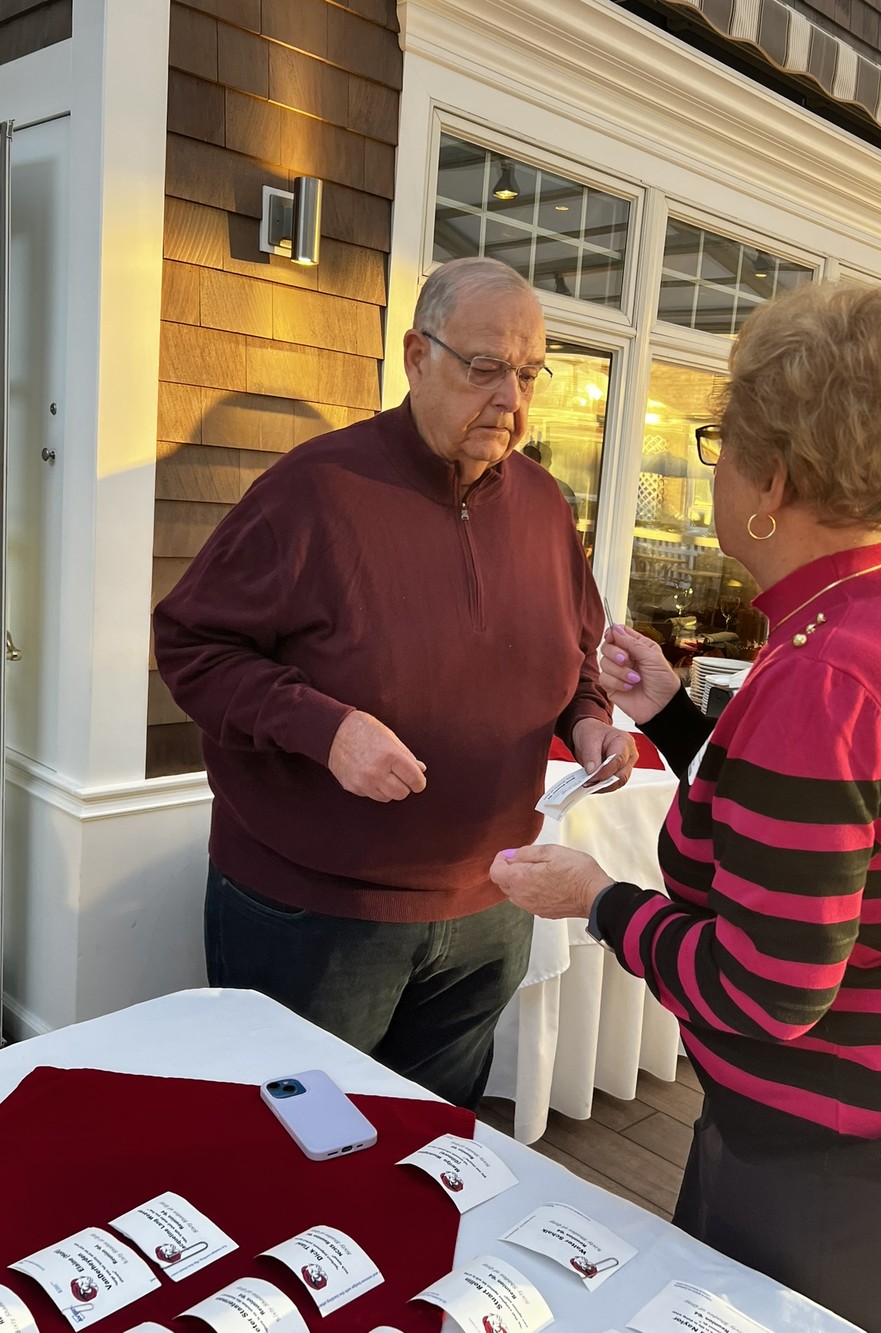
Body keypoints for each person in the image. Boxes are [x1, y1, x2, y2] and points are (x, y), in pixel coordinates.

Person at [491, 282, 881, 1333]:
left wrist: (598, 900)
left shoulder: (825, 677)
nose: (711, 466)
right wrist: (675, 718)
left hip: (837, 1155)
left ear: (771, 482)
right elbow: (827, 830)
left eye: (720, 445)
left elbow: (767, 992)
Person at [153, 257, 637, 1111]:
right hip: (317, 915)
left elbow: (577, 650)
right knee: (293, 1144)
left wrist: (591, 720)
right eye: (484, 368)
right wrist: (326, 729)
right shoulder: (313, 490)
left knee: (430, 1142)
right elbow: (192, 643)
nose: (511, 400)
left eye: (529, 375)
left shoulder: (546, 505)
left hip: (493, 900)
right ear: (417, 356)